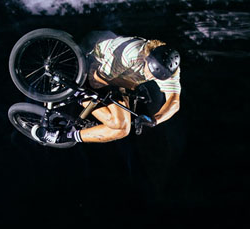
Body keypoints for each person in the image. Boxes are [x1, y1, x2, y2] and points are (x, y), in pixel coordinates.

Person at [45, 33, 181, 146]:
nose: (150, 76)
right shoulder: (132, 54)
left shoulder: (169, 69)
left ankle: (65, 136)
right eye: (150, 71)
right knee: (117, 122)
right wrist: (131, 87)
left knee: (122, 130)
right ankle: (75, 89)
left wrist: (154, 120)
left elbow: (174, 102)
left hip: (119, 79)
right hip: (96, 66)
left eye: (156, 76)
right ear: (146, 58)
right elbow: (96, 79)